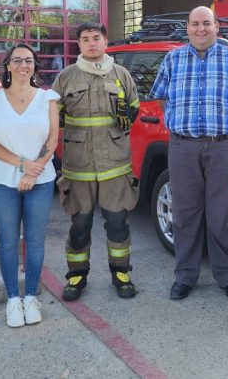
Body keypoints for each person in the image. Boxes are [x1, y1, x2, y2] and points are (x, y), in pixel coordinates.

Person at [148, 6, 228, 301]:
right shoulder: (173, 59)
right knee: (185, 214)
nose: (201, 29)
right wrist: (180, 125)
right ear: (188, 27)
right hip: (183, 147)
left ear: (216, 26)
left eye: (206, 23)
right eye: (195, 24)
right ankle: (185, 277)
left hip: (222, 146)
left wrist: (221, 127)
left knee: (220, 215)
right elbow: (160, 98)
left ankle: (227, 277)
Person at [52, 23, 140, 301]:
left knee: (117, 223)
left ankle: (121, 273)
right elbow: (54, 116)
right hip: (78, 166)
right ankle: (76, 276)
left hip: (115, 163)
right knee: (80, 224)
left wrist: (128, 116)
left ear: (105, 42)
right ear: (78, 44)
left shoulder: (121, 74)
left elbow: (134, 108)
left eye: (96, 38)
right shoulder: (66, 77)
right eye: (86, 39)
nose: (91, 43)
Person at [0, 43, 59, 328]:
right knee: (8, 242)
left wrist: (33, 172)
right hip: (2, 181)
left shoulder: (48, 97)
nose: (23, 65)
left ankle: (30, 296)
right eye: (18, 60)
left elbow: (52, 140)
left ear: (35, 66)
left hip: (41, 181)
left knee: (35, 241)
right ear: (8, 66)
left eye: (29, 60)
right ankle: (13, 299)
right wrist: (22, 165)